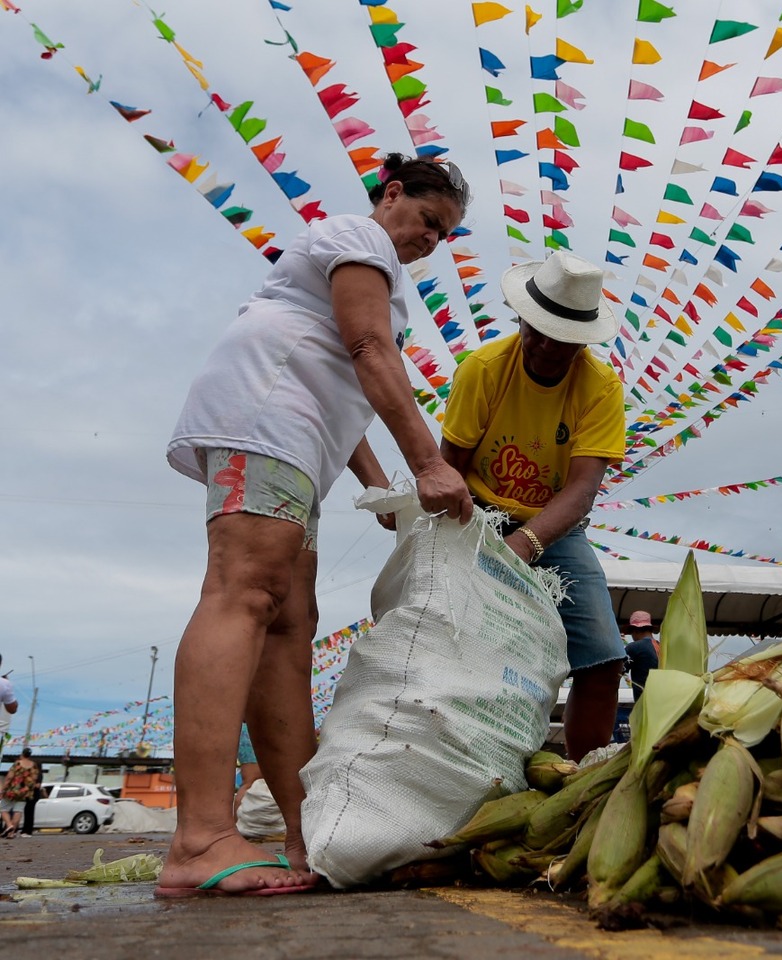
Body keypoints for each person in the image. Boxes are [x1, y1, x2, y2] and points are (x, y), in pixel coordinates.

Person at [158, 153, 475, 896]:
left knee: (291, 619)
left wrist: (382, 489)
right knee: (244, 591)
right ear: (391, 194)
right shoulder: (356, 238)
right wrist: (430, 464)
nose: (433, 240)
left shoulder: (378, 271)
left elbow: (344, 386)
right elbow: (367, 351)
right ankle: (199, 835)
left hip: (302, 439)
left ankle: (305, 834)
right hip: (265, 414)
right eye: (430, 220)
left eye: (447, 234)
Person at [440, 252, 626, 762]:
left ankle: (583, 775)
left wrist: (526, 543)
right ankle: (471, 764)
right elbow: (449, 465)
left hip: (557, 527)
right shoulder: (482, 369)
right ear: (520, 317)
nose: (546, 346)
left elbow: (583, 488)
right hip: (476, 517)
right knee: (461, 648)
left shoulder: (601, 387)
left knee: (603, 658)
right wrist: (468, 539)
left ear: (584, 338)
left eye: (562, 336)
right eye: (537, 329)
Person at [1, 748, 39, 838]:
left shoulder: (17, 763)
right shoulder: (34, 765)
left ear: (22, 754)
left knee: (3, 809)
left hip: (12, 790)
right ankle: (11, 833)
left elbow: (9, 777)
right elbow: (34, 779)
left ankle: (9, 825)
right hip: (24, 792)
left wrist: (3, 789)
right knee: (18, 811)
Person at [624, 611, 660, 696]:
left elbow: (617, 671)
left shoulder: (634, 647)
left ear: (635, 630)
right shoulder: (661, 647)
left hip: (644, 701)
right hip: (661, 700)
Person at [20, 754, 43, 838]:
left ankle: (27, 830)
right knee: (28, 812)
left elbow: (37, 785)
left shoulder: (38, 774)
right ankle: (26, 830)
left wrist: (28, 785)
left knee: (29, 812)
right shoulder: (36, 773)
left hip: (33, 795)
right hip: (32, 795)